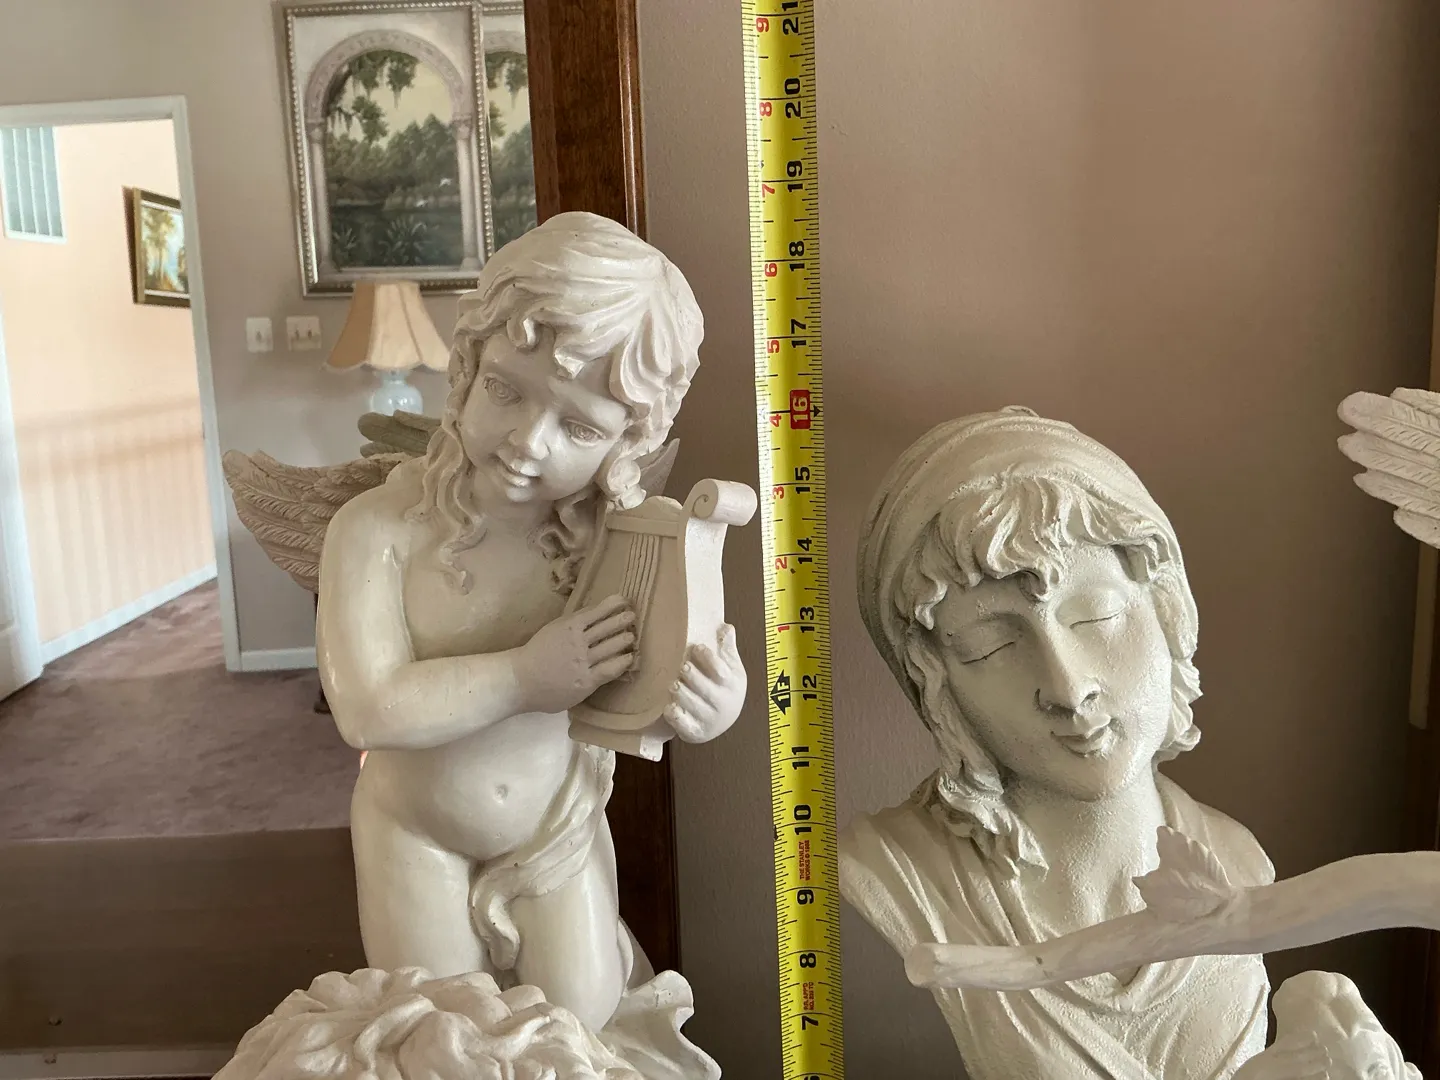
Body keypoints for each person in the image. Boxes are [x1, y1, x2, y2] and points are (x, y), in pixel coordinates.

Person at [316, 212, 746, 1035]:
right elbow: (367, 709)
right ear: (468, 365)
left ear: (628, 441)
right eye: (506, 390)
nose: (527, 440)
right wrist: (523, 676)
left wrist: (710, 702)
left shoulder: (618, 540)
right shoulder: (375, 531)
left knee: (581, 1019)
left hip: (557, 826)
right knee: (448, 1030)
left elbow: (661, 667)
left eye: (579, 427)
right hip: (416, 830)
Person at [842, 406, 1273, 1079]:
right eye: (993, 647)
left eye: (1096, 616)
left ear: (1167, 610)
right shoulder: (894, 872)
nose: (1068, 689)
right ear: (936, 684)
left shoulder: (1238, 861)